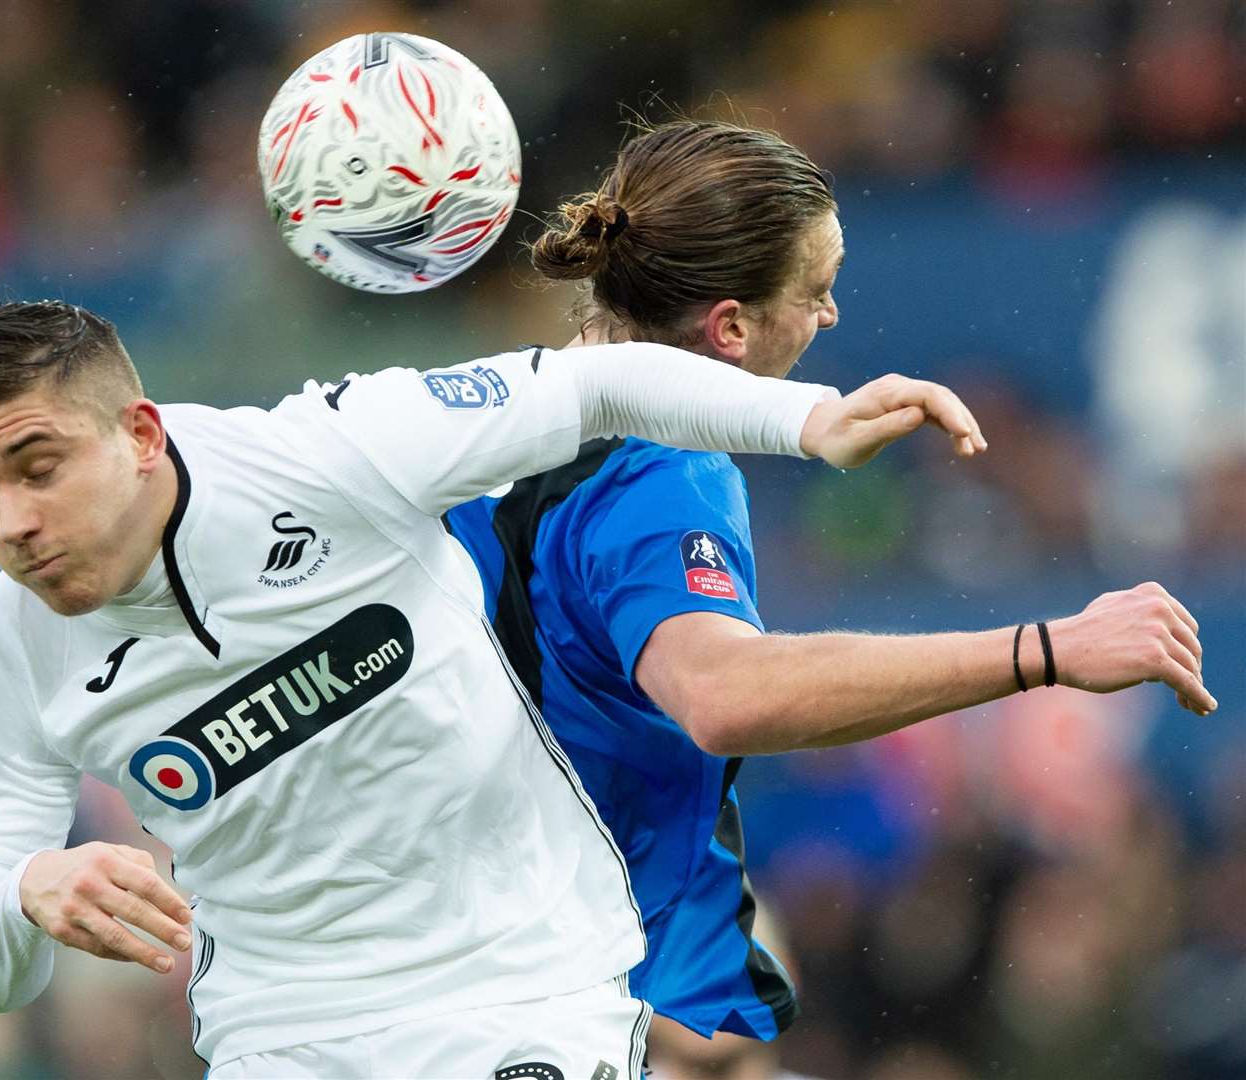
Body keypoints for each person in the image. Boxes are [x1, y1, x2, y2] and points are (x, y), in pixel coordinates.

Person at [0, 300, 981, 1078]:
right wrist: (23, 894)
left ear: (140, 436)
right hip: (276, 1041)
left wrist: (803, 419)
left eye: (37, 468)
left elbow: (593, 384)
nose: (12, 524)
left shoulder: (330, 453)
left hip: (517, 989)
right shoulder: (5, 649)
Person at [444, 119, 1216, 1045]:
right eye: (816, 292)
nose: (832, 317)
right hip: (604, 995)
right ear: (729, 327)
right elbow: (723, 692)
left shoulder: (465, 418)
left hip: (461, 967)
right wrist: (1043, 650)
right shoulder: (662, 474)